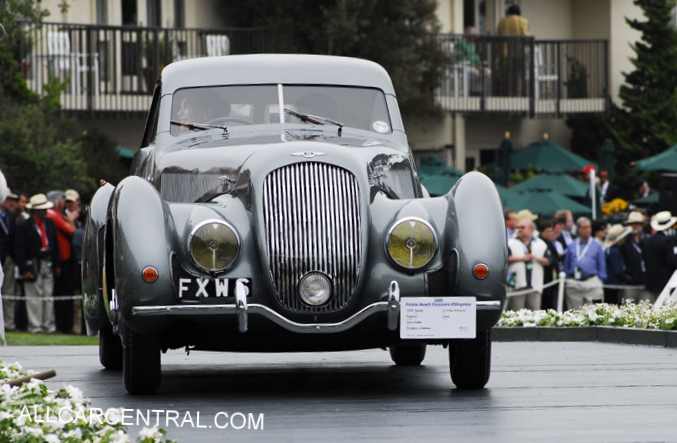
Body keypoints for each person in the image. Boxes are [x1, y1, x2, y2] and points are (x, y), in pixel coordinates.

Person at [14, 194, 60, 333]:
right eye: (42, 209)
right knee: (33, 297)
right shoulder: (24, 226)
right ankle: (35, 326)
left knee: (48, 296)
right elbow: (19, 250)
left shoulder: (50, 224)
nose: (45, 211)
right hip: (32, 264)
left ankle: (49, 326)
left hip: (48, 263)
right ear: (35, 211)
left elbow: (55, 245)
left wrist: (57, 265)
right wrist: (24, 268)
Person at [46, 191, 78, 333]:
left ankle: (66, 325)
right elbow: (72, 231)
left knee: (67, 294)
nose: (64, 203)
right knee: (62, 295)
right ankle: (63, 326)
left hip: (66, 260)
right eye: (62, 200)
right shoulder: (53, 215)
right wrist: (71, 220)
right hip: (61, 261)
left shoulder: (59, 215)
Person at [507, 217, 550, 310]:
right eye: (517, 227)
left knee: (535, 315)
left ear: (531, 229)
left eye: (522, 227)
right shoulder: (510, 242)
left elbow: (548, 261)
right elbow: (505, 259)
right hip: (517, 285)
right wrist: (522, 258)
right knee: (516, 314)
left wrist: (535, 258)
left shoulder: (541, 244)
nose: (519, 229)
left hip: (535, 285)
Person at [564, 217, 606, 308]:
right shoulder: (571, 245)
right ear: (578, 229)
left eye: (589, 227)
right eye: (584, 227)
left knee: (596, 312)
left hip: (592, 283)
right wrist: (568, 280)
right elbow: (566, 265)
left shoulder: (597, 245)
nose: (588, 230)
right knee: (574, 314)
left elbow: (602, 266)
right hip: (574, 285)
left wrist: (599, 280)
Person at [642, 211, 677, 299]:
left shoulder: (647, 241)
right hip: (665, 284)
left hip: (650, 283)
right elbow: (672, 261)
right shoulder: (668, 241)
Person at [621, 211, 652, 303]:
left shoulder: (648, 240)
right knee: (628, 311)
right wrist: (627, 277)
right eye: (632, 224)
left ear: (642, 225)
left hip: (646, 283)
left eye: (637, 224)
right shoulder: (624, 242)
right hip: (630, 284)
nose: (634, 226)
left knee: (646, 311)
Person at [1, 191, 18, 331]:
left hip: (8, 259)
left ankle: (9, 323)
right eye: (8, 199)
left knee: (9, 292)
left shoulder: (12, 217)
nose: (10, 202)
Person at [603, 224, 632, 304]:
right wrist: (629, 279)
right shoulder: (615, 251)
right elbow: (618, 271)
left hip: (608, 284)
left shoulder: (608, 249)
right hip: (614, 286)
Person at [537, 218, 561, 310]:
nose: (551, 233)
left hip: (552, 279)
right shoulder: (539, 243)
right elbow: (549, 260)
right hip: (544, 279)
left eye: (551, 231)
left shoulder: (550, 243)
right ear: (542, 232)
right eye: (548, 231)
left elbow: (555, 259)